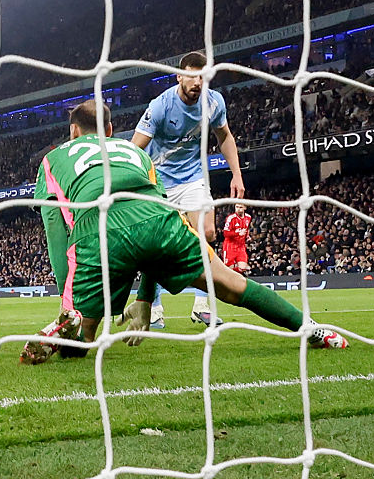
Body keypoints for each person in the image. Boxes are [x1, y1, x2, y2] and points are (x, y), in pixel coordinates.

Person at [20, 100, 346, 364]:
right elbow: (154, 224)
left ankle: (69, 326)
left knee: (81, 342)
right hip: (161, 221)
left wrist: (68, 298)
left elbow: (54, 225)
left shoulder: (52, 159)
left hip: (99, 231)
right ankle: (312, 328)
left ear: (73, 131)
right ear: (110, 129)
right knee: (232, 285)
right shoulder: (135, 152)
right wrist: (145, 298)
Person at [130, 51, 245, 329]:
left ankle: (202, 305)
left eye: (202, 77)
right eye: (192, 75)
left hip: (192, 178)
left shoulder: (214, 102)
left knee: (207, 232)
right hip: (159, 182)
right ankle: (154, 306)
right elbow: (135, 148)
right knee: (155, 246)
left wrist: (237, 174)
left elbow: (225, 136)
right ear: (179, 76)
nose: (197, 82)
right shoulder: (161, 106)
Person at [223, 203, 252, 273]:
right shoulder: (231, 218)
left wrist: (247, 236)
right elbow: (225, 233)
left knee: (243, 268)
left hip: (241, 246)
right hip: (230, 246)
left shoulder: (248, 217)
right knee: (228, 270)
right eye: (236, 207)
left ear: (245, 208)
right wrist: (238, 233)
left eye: (240, 207)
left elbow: (246, 228)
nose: (238, 209)